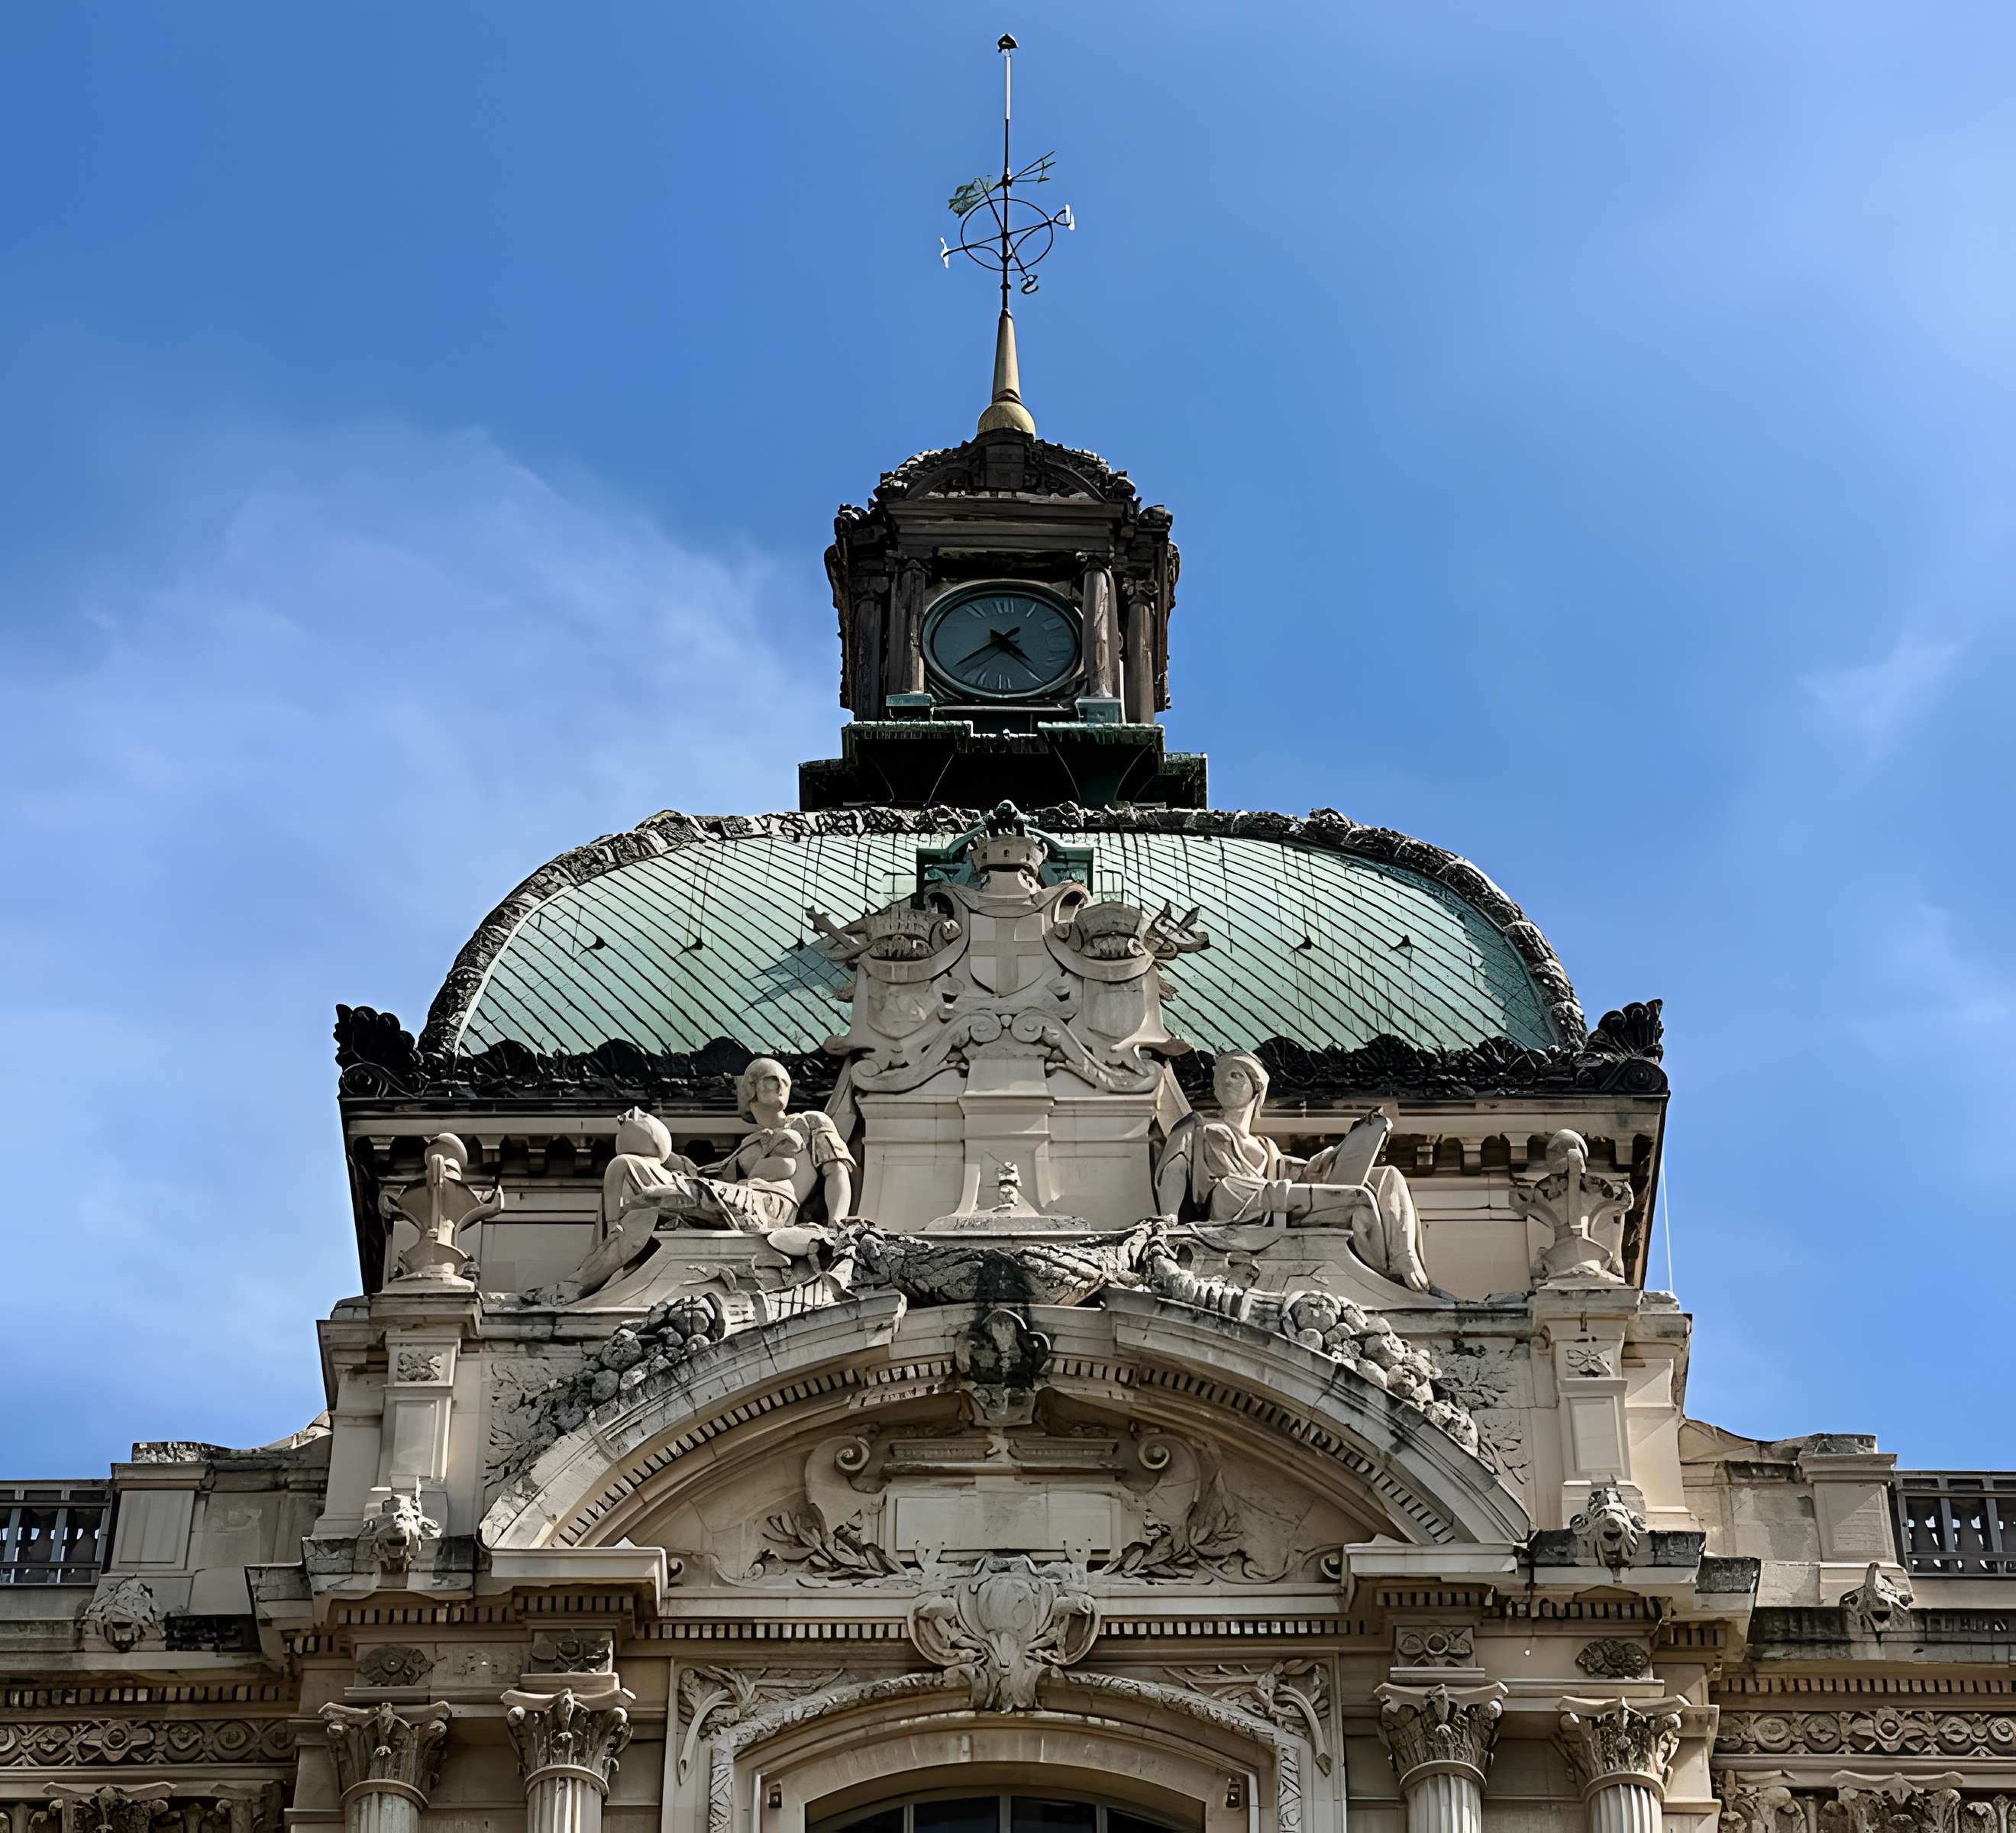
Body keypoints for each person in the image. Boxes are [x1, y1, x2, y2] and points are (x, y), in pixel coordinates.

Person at [573, 1062, 856, 1297]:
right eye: (770, 1080)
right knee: (632, 1171)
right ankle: (595, 1279)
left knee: (661, 1193)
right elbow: (705, 1176)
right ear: (750, 1090)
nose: (781, 1086)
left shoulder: (810, 1121)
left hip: (769, 1208)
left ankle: (591, 1283)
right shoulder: (749, 1145)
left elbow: (837, 1171)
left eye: (785, 1080)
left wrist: (836, 1226)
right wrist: (653, 1140)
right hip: (737, 1201)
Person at [1153, 1051, 1429, 1292]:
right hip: (1236, 1203)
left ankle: (1403, 1255)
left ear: (1255, 1087)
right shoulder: (1198, 1126)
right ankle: (1385, 1277)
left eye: (1236, 1075)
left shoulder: (1268, 1147)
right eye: (1221, 1076)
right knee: (1360, 1200)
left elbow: (1299, 1175)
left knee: (1388, 1176)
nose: (1226, 1081)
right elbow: (1174, 1168)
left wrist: (1331, 1158)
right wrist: (1168, 1222)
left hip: (1273, 1200)